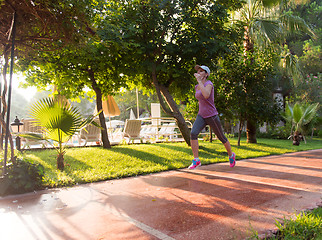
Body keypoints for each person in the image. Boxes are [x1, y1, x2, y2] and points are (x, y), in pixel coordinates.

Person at [188, 65, 236, 169]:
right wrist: (199, 82)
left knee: (221, 137)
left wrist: (199, 81)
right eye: (198, 71)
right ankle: (196, 160)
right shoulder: (197, 86)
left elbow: (206, 95)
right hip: (201, 115)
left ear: (206, 74)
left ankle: (231, 155)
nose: (199, 72)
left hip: (211, 116)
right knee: (193, 133)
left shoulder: (209, 84)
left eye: (201, 71)